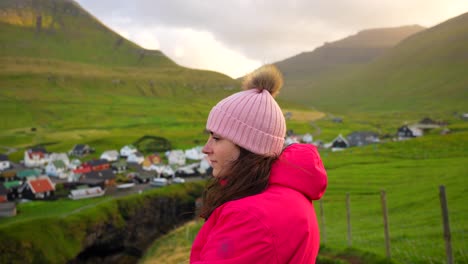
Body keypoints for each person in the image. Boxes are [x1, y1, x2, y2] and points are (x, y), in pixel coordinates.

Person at [190, 65, 328, 264]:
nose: (206, 148)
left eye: (217, 138)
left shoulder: (250, 217)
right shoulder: (289, 196)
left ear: (248, 145)